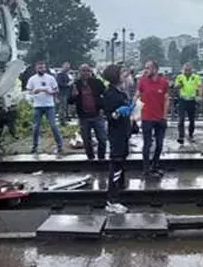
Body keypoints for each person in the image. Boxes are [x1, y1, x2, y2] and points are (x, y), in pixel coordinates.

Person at [102, 64, 133, 201]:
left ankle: (119, 191)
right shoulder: (110, 93)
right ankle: (112, 199)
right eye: (121, 73)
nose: (124, 75)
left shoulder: (120, 92)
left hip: (124, 131)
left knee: (121, 162)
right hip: (116, 134)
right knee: (116, 164)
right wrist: (118, 112)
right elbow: (109, 116)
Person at [134, 60, 170, 177]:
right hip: (147, 117)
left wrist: (164, 116)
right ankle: (146, 168)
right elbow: (137, 95)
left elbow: (166, 99)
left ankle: (155, 165)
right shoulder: (142, 81)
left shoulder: (163, 82)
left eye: (148, 68)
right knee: (147, 143)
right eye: (145, 68)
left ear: (155, 69)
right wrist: (132, 110)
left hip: (160, 118)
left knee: (159, 144)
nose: (146, 70)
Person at [25, 60, 64, 156]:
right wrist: (35, 91)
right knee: (35, 127)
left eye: (42, 67)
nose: (41, 69)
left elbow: (57, 90)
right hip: (37, 106)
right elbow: (28, 91)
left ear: (45, 68)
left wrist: (51, 92)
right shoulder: (32, 79)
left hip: (49, 105)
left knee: (53, 125)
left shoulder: (50, 78)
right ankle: (34, 146)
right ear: (36, 68)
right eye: (39, 67)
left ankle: (60, 145)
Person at [70, 64, 108, 161]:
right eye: (83, 71)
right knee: (87, 140)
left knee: (102, 139)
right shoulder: (76, 84)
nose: (85, 73)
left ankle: (101, 158)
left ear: (91, 72)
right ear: (79, 72)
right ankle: (91, 158)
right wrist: (74, 96)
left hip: (97, 115)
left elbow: (105, 95)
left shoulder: (97, 82)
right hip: (84, 116)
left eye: (87, 71)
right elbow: (69, 101)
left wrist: (103, 108)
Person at [173, 63, 203, 144]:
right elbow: (176, 87)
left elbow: (200, 86)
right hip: (182, 100)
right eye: (185, 70)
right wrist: (179, 85)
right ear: (183, 70)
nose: (187, 71)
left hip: (192, 100)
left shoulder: (196, 77)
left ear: (191, 70)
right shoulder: (180, 77)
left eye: (188, 70)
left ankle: (190, 135)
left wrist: (200, 96)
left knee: (192, 120)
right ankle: (181, 136)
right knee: (181, 119)